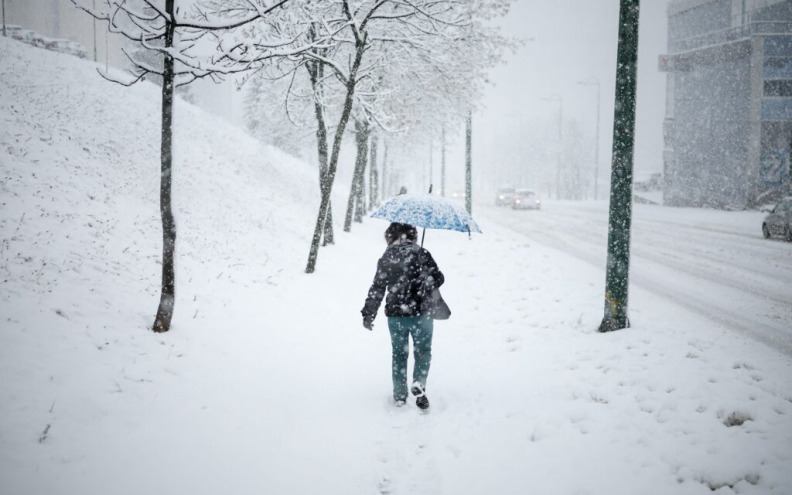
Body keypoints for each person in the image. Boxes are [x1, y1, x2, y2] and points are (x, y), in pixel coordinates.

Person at [361, 222, 445, 410]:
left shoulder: (388, 256)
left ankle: (400, 396)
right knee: (423, 351)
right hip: (421, 313)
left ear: (391, 236)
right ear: (413, 235)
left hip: (396, 315)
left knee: (399, 354)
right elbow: (439, 278)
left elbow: (378, 287)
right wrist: (425, 277)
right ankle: (419, 383)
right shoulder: (422, 253)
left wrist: (369, 313)